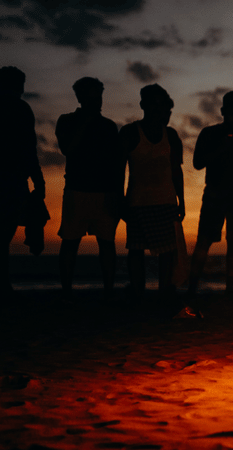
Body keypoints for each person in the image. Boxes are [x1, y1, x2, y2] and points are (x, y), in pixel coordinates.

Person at [188, 91, 233, 296]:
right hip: (215, 193)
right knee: (204, 240)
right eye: (232, 114)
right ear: (223, 111)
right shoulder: (209, 134)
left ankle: (229, 289)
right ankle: (192, 288)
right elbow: (197, 163)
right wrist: (221, 149)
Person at [119, 84, 185, 309]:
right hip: (137, 201)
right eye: (154, 105)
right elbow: (119, 169)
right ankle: (138, 292)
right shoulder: (129, 133)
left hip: (166, 201)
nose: (159, 111)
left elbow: (176, 170)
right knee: (136, 249)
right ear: (143, 106)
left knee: (168, 252)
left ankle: (165, 293)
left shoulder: (172, 136)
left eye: (163, 107)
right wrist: (120, 200)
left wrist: (181, 200)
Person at [55, 77, 122, 300]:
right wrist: (85, 122)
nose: (97, 101)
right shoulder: (66, 120)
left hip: (104, 192)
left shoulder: (109, 126)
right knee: (70, 243)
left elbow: (115, 164)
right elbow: (68, 149)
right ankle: (66, 293)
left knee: (107, 244)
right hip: (77, 190)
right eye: (92, 96)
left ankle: (109, 292)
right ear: (81, 98)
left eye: (99, 96)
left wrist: (117, 195)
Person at [1, 66, 45, 296]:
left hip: (12, 177)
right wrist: (38, 180)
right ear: (20, 87)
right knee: (5, 233)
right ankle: (4, 284)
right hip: (13, 179)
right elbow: (29, 148)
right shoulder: (21, 108)